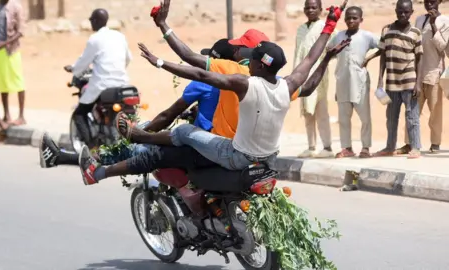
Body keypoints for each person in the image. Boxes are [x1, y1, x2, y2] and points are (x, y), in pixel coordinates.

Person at [77, 2, 350, 185]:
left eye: (252, 57)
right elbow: (309, 63)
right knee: (181, 140)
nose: (248, 60)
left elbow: (197, 71)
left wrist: (160, 56)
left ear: (256, 63)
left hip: (236, 155)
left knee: (182, 135)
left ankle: (136, 138)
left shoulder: (244, 82)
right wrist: (329, 29)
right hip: (269, 159)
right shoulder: (285, 85)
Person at [39, 38, 235, 169]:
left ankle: (66, 159)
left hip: (204, 146)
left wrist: (140, 134)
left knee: (135, 150)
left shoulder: (204, 81)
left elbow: (167, 116)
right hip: (226, 144)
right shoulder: (244, 80)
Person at [150, 0, 270, 140]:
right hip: (253, 144)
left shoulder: (229, 71)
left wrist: (163, 27)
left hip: (219, 146)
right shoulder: (273, 80)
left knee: (176, 137)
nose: (236, 50)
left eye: (239, 47)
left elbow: (188, 56)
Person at [65, 9, 133, 149]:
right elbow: (128, 59)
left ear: (95, 21)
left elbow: (83, 63)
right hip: (122, 84)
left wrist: (73, 69)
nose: (90, 23)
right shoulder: (119, 36)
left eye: (91, 21)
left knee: (79, 113)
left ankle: (92, 148)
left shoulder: (94, 39)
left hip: (102, 85)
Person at [397, 0, 449, 154]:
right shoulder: (419, 19)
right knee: (412, 110)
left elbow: (443, 47)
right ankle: (409, 143)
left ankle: (435, 144)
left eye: (432, 1)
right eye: (427, 2)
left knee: (435, 111)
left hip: (434, 72)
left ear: (439, 2)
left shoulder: (445, 21)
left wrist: (433, 24)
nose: (429, 4)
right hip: (417, 74)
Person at [327, 6, 379, 158]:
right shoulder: (339, 36)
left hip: (360, 82)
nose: (351, 20)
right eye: (348, 18)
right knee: (343, 118)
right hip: (342, 81)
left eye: (355, 18)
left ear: (361, 20)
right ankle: (347, 147)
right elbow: (329, 51)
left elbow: (383, 46)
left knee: (365, 117)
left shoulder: (367, 36)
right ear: (344, 19)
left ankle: (366, 147)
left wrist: (369, 58)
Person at [374, 0, 424, 159]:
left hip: (409, 81)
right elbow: (383, 55)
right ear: (395, 11)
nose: (403, 14)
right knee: (391, 118)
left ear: (411, 12)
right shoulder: (386, 30)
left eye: (406, 12)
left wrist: (418, 82)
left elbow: (419, 58)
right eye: (400, 11)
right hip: (391, 83)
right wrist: (380, 80)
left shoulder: (415, 32)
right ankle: (390, 147)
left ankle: (415, 148)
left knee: (412, 117)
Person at [294, 0, 336, 158]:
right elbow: (297, 54)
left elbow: (334, 48)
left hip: (319, 77)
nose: (310, 10)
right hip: (302, 77)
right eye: (307, 7)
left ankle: (327, 147)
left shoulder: (325, 28)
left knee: (321, 112)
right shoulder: (300, 29)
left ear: (320, 9)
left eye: (314, 7)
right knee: (307, 113)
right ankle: (311, 147)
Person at [0, 0, 26, 126]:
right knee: (3, 83)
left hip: (11, 51)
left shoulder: (16, 7)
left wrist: (4, 44)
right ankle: (7, 115)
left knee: (18, 82)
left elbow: (20, 31)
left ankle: (21, 116)